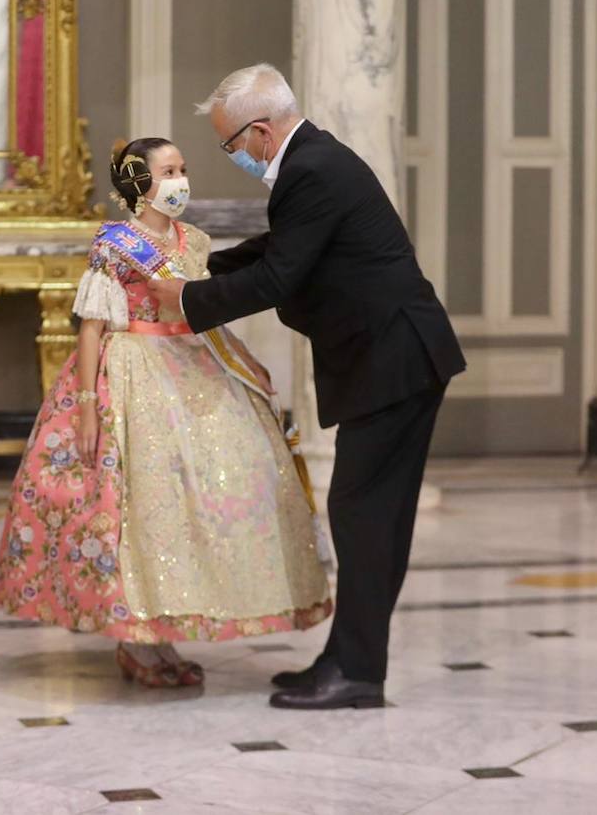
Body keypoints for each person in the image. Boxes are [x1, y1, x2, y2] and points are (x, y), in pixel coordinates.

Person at [147, 64, 466, 710]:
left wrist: (186, 297)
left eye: (229, 146)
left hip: (395, 359)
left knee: (362, 515)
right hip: (395, 357)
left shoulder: (311, 170)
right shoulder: (312, 164)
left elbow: (278, 279)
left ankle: (358, 672)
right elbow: (280, 247)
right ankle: (346, 658)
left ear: (260, 132)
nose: (231, 157)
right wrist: (203, 263)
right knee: (369, 516)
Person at [0, 136, 332, 688]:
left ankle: (166, 632)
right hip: (130, 370)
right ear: (140, 182)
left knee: (191, 508)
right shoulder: (115, 243)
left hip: (191, 363)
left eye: (183, 167)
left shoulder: (193, 240)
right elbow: (92, 326)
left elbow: (205, 313)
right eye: (168, 170)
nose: (180, 179)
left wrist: (247, 363)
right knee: (139, 508)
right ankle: (135, 640)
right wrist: (84, 408)